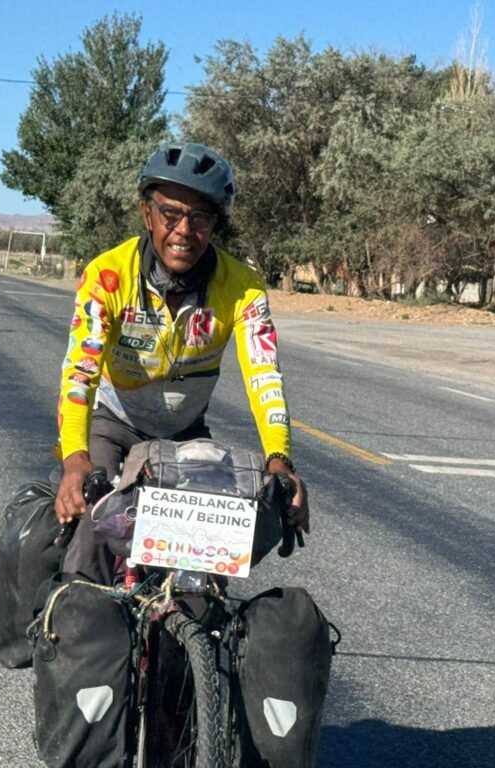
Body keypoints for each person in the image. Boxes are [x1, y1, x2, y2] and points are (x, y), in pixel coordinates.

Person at [54, 141, 308, 584]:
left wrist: (279, 459)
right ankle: (75, 613)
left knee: (206, 560)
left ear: (215, 225)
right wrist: (76, 461)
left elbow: (265, 377)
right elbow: (80, 375)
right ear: (147, 214)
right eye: (170, 214)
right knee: (93, 532)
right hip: (112, 423)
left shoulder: (243, 288)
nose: (184, 230)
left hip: (184, 432)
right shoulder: (107, 276)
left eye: (200, 218)